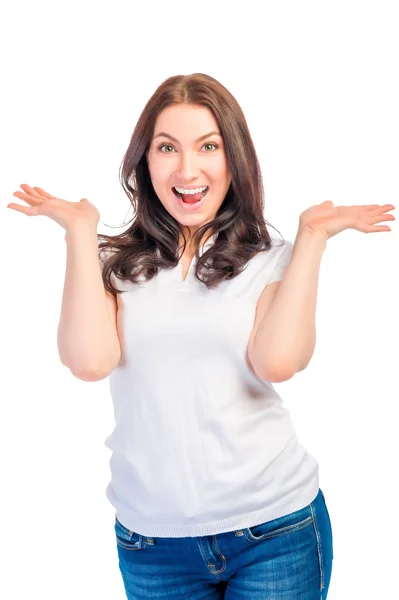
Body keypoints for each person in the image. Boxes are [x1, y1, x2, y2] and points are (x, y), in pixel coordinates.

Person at [8, 73, 395, 599]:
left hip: (273, 531)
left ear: (233, 159)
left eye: (208, 146)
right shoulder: (112, 263)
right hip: (153, 543)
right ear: (145, 161)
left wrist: (311, 238)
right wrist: (80, 232)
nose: (188, 170)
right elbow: (89, 361)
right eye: (167, 148)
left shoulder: (270, 260)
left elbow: (279, 362)